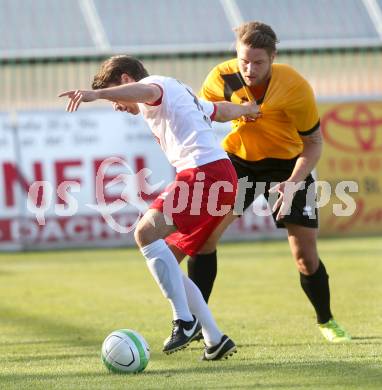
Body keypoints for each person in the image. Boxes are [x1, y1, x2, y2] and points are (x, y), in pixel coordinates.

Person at [59, 55, 260, 360]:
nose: (116, 105)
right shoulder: (180, 92)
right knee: (168, 257)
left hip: (205, 175)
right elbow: (217, 111)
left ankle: (184, 320)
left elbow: (145, 92)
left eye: (116, 94)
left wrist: (97, 95)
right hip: (216, 177)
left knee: (145, 233)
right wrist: (246, 110)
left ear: (126, 80)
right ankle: (214, 339)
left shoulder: (154, 86)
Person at [187, 21, 351, 343]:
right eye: (244, 60)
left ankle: (326, 320)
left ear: (273, 57)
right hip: (239, 163)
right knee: (205, 238)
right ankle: (194, 324)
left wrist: (293, 183)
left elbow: (314, 143)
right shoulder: (220, 77)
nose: (249, 68)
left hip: (289, 166)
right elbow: (202, 115)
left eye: (258, 62)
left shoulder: (294, 86)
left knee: (305, 256)